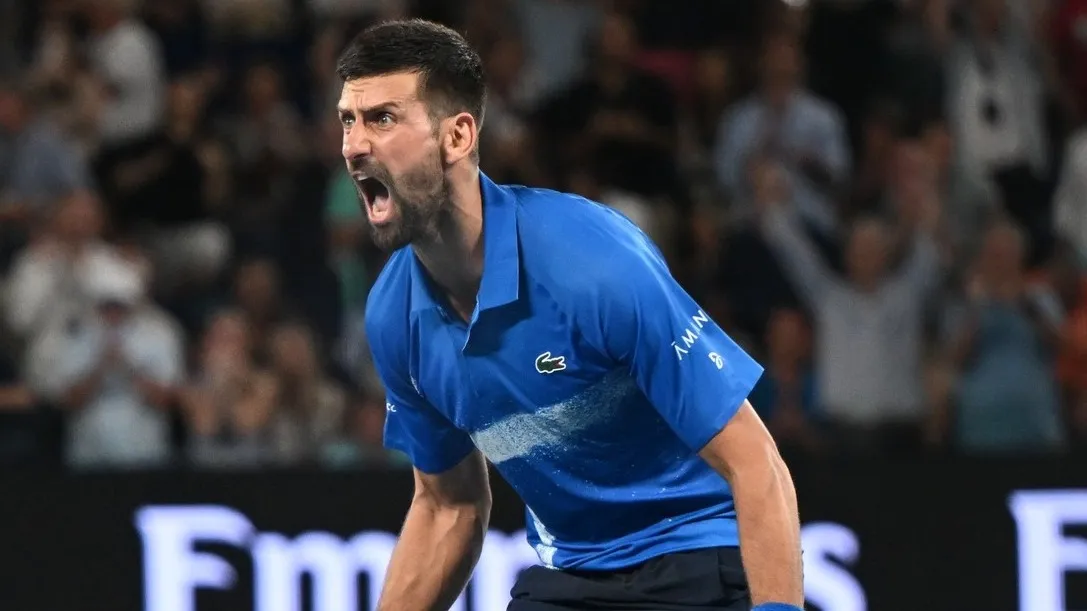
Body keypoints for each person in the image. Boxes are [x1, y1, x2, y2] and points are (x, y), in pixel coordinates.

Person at [340, 19, 803, 611]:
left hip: (699, 559)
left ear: (457, 136)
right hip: (574, 580)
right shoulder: (392, 316)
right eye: (348, 121)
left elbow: (755, 462)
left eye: (382, 118)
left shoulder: (592, 261)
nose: (354, 145)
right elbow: (447, 505)